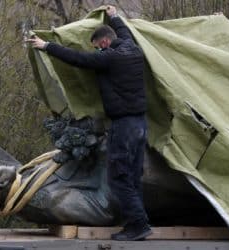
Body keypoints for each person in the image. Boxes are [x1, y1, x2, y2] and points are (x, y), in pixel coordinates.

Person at [26, 5, 151, 241]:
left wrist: (46, 46)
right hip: (140, 125)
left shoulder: (110, 58)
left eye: (96, 47)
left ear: (103, 43)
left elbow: (78, 59)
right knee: (133, 177)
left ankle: (138, 224)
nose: (96, 51)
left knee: (118, 178)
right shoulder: (131, 47)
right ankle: (136, 223)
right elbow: (123, 30)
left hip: (124, 127)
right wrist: (114, 15)